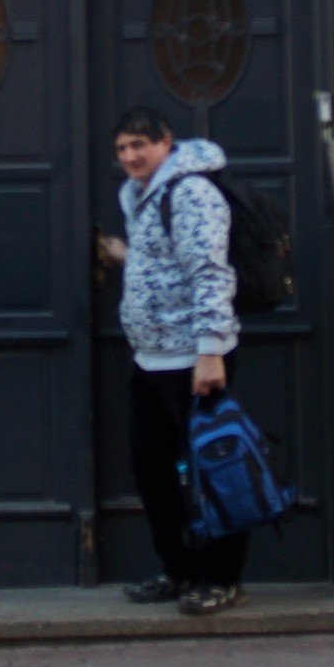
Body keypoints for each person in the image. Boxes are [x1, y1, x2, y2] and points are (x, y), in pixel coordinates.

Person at [99, 105, 250, 616]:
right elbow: (165, 259)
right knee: (152, 470)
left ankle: (221, 577)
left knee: (214, 472)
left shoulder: (192, 192)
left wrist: (209, 352)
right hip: (150, 357)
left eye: (139, 145)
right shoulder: (143, 196)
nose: (130, 156)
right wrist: (126, 255)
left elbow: (210, 272)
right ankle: (178, 568)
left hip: (194, 358)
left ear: (166, 142)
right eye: (121, 149)